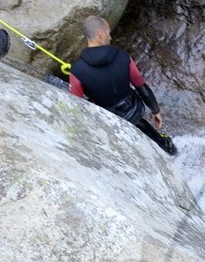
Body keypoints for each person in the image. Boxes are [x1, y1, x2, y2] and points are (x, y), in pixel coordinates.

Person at [68, 15, 177, 156]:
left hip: (110, 120)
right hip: (135, 111)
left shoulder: (77, 70)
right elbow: (140, 85)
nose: (110, 37)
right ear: (100, 35)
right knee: (148, 131)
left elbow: (75, 104)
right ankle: (169, 149)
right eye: (108, 33)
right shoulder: (122, 56)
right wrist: (155, 111)